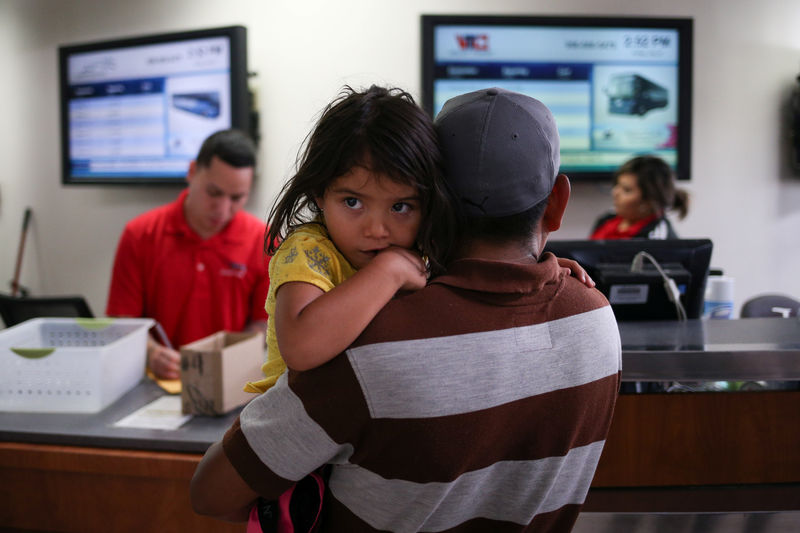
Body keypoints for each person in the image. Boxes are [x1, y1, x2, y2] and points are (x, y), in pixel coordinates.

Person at [191, 87, 621, 532]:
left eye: (400, 206)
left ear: (432, 204)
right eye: (353, 202)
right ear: (557, 203)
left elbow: (209, 492)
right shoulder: (595, 318)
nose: (377, 229)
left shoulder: (371, 350)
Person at [106, 129, 269, 381]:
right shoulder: (140, 235)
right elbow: (122, 319)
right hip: (155, 384)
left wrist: (229, 359)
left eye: (237, 198)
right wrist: (151, 352)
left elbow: (263, 324)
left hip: (229, 383)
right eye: (214, 193)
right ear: (192, 171)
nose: (223, 209)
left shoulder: (263, 241)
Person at [590, 154, 690, 240]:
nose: (615, 192)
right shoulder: (607, 219)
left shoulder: (656, 238)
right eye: (617, 185)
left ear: (649, 201)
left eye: (626, 190)